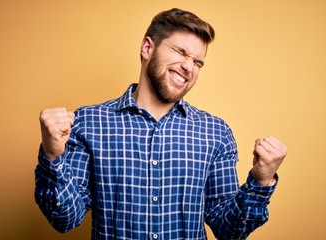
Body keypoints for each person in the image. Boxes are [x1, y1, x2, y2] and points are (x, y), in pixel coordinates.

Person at [35, 8, 287, 240]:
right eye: (181, 52)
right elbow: (65, 218)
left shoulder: (216, 133)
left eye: (198, 62)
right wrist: (53, 155)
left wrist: (260, 181)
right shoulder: (89, 123)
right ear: (147, 48)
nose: (189, 66)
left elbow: (229, 230)